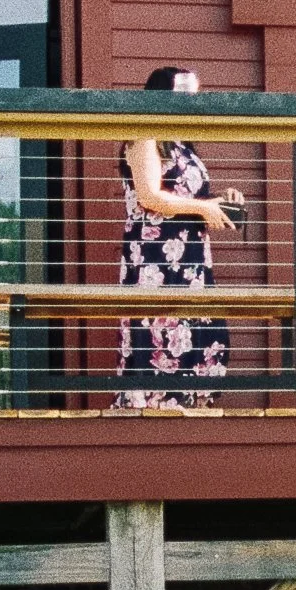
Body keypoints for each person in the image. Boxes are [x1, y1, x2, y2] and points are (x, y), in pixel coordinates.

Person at [113, 65, 237, 410]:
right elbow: (150, 196)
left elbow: (190, 199)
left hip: (190, 258)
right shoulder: (144, 137)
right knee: (160, 332)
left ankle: (192, 406)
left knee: (204, 333)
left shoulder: (183, 145)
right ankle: (153, 408)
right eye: (183, 94)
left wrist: (218, 204)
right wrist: (202, 209)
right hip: (155, 256)